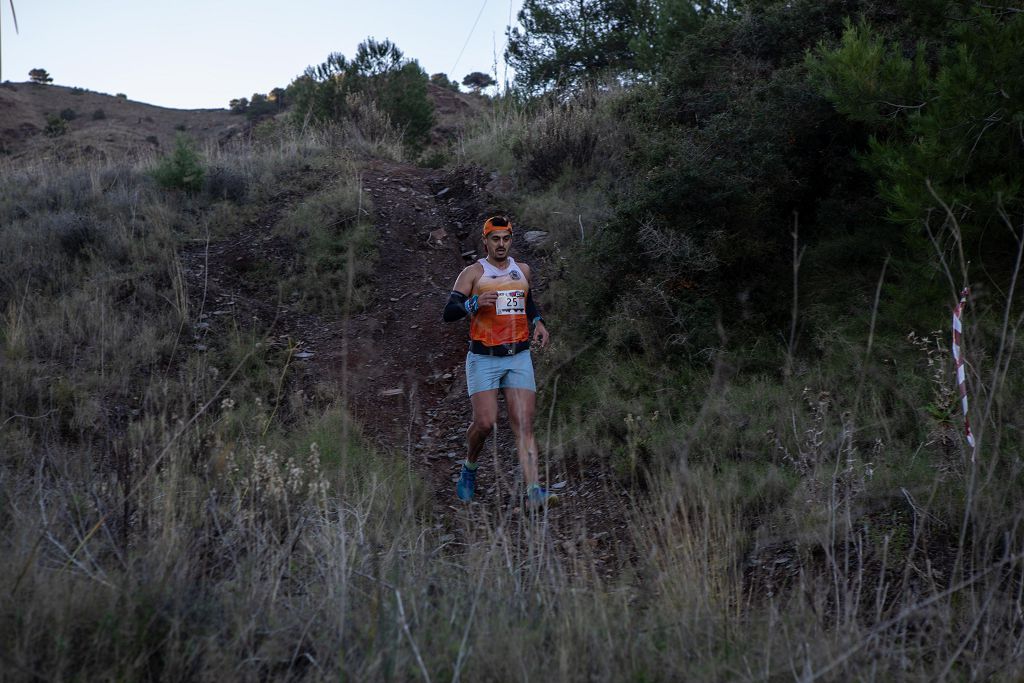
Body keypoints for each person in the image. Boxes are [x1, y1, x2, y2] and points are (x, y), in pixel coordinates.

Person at [442, 216, 558, 507]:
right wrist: (471, 304)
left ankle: (534, 490)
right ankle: (469, 467)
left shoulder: (523, 270)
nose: (501, 244)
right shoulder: (473, 273)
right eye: (496, 239)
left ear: (511, 240)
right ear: (485, 241)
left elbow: (526, 299)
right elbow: (448, 312)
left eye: (506, 238)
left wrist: (539, 322)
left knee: (524, 423)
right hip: (484, 357)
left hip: (518, 356)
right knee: (485, 422)